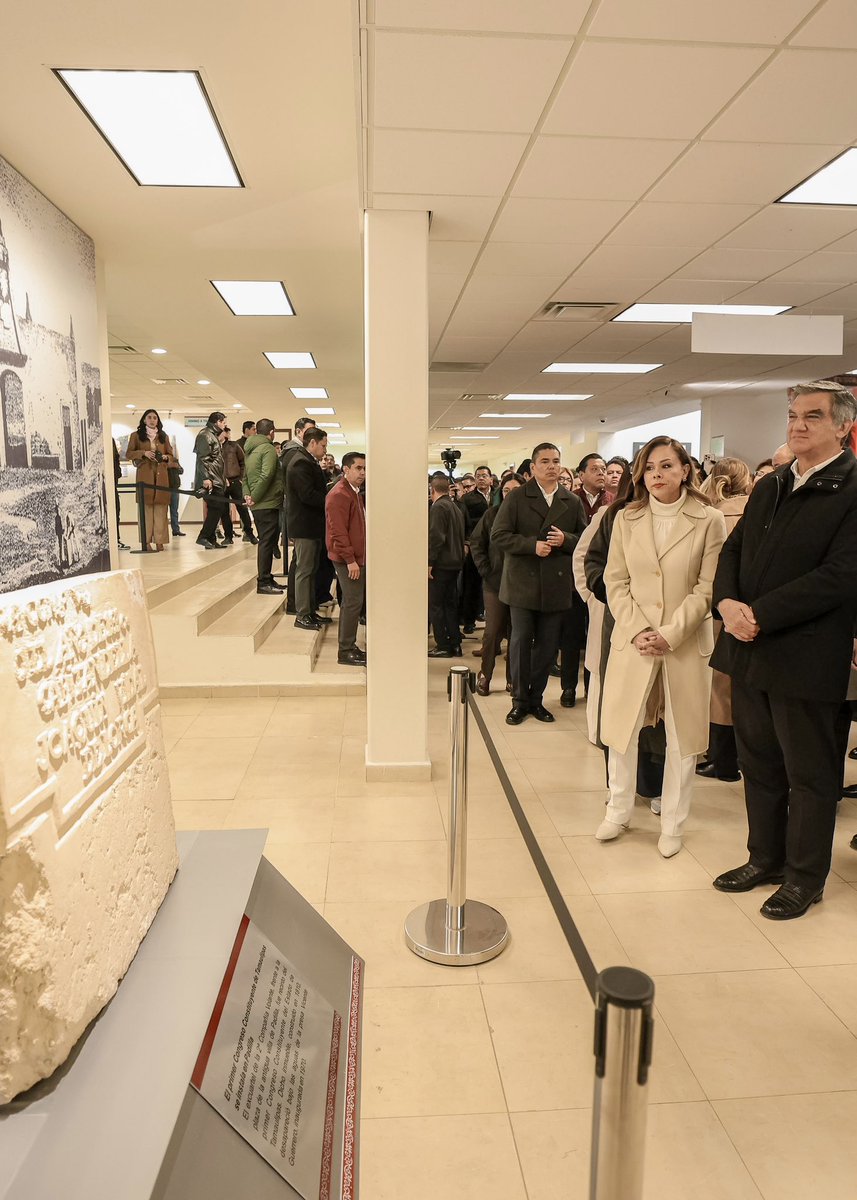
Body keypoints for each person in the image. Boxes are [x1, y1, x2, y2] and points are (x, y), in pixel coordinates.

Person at [711, 380, 857, 919]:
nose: (797, 425)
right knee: (760, 765)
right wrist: (727, 603)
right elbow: (734, 549)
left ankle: (804, 876)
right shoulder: (772, 485)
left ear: (843, 426)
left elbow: (841, 575)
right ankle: (764, 858)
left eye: (812, 417)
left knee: (811, 774)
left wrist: (761, 615)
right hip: (748, 650)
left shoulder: (852, 487)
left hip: (806, 654)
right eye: (793, 415)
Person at [595, 436, 727, 857]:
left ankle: (673, 820)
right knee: (622, 728)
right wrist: (637, 629)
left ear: (685, 469)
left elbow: (707, 588)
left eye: (667, 466)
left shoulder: (709, 520)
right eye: (650, 468)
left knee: (681, 735)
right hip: (633, 639)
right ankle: (618, 808)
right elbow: (615, 581)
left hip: (683, 642)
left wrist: (670, 632)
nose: (658, 475)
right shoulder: (626, 518)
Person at [491, 442, 586, 725]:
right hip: (522, 583)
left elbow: (584, 540)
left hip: (556, 585)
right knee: (520, 644)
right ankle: (519, 701)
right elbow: (499, 535)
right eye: (544, 461)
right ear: (533, 467)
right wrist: (532, 545)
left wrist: (565, 540)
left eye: (556, 461)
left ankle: (537, 700)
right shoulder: (518, 497)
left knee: (546, 647)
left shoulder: (572, 500)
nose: (551, 466)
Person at [696, 458, 752, 782]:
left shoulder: (711, 514)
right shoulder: (760, 512)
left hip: (721, 610)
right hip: (756, 611)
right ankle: (744, 757)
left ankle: (724, 762)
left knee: (721, 688)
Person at [470, 473, 523, 694]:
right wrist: (486, 570)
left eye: (515, 490)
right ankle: (486, 675)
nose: (510, 495)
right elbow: (476, 542)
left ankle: (513, 679)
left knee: (517, 634)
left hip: (521, 584)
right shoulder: (491, 514)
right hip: (495, 582)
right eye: (506, 491)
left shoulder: (528, 517)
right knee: (492, 631)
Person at [286, 426, 329, 631]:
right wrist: (330, 501)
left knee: (311, 569)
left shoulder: (308, 460)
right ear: (312, 443)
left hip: (312, 525)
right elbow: (307, 495)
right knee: (304, 570)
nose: (324, 449)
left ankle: (310, 610)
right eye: (322, 445)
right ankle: (302, 614)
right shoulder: (300, 462)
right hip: (304, 525)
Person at [326, 452, 367, 666]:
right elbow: (337, 532)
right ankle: (345, 650)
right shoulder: (339, 494)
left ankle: (350, 645)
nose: (363, 472)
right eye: (358, 468)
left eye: (364, 468)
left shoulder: (354, 492)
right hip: (346, 558)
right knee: (352, 602)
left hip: (356, 556)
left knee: (355, 601)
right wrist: (351, 559)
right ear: (346, 469)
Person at [243, 418, 285, 595]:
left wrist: (248, 494)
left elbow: (245, 477)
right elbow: (267, 475)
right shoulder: (267, 448)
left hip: (258, 503)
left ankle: (267, 577)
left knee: (266, 541)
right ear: (272, 432)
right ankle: (263, 581)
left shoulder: (251, 449)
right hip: (267, 502)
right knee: (267, 542)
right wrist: (255, 496)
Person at [126, 408, 177, 551]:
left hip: (161, 476)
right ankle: (146, 541)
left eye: (155, 418)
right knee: (146, 509)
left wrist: (166, 457)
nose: (152, 420)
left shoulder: (163, 436)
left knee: (161, 509)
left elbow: (172, 455)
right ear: (144, 420)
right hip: (145, 475)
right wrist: (144, 453)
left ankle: (160, 541)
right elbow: (129, 453)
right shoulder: (136, 436)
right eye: (149, 417)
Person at [428, 475, 466, 658]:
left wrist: (429, 562)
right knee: (450, 605)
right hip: (455, 563)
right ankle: (455, 644)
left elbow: (436, 537)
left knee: (435, 605)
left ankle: (443, 644)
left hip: (441, 564)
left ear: (432, 489)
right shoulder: (455, 507)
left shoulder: (438, 507)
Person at [280, 416, 317, 599]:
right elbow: (303, 492)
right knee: (302, 566)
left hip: (302, 517)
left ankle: (302, 605)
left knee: (303, 564)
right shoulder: (295, 454)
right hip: (300, 517)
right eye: (308, 431)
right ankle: (298, 605)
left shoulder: (300, 454)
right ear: (298, 431)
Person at [460, 465, 494, 633]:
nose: (481, 478)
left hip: (495, 546)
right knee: (471, 584)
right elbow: (465, 523)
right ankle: (469, 620)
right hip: (476, 545)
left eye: (484, 475)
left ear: (490, 479)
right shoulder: (468, 499)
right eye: (478, 476)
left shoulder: (498, 496)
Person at [193, 412, 230, 549]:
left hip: (217, 479)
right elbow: (203, 459)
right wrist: (206, 479)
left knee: (217, 508)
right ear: (217, 422)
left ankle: (211, 539)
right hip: (211, 480)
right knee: (216, 508)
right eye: (223, 422)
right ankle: (203, 536)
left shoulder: (212, 435)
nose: (225, 425)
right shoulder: (205, 435)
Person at [221, 426, 257, 544]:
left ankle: (249, 533)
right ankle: (228, 536)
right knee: (224, 511)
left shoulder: (234, 445)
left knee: (242, 508)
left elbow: (243, 462)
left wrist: (241, 478)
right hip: (222, 483)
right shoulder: (215, 447)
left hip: (235, 481)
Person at [573, 453, 609, 522]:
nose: (601, 473)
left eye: (603, 469)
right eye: (594, 469)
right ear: (581, 475)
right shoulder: (571, 498)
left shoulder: (612, 500)